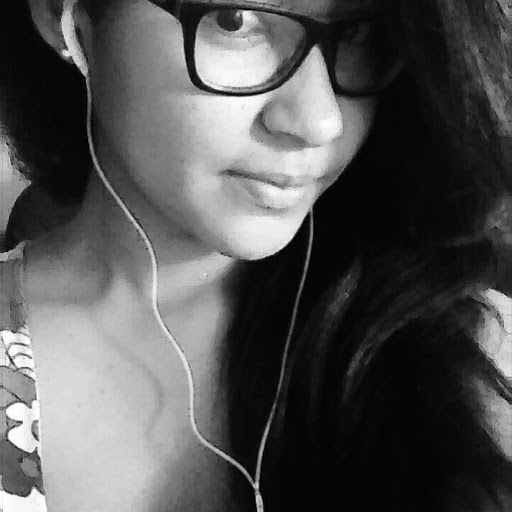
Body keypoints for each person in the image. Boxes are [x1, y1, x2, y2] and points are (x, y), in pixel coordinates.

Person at [0, 0, 510, 511]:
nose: (319, 121)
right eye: (235, 21)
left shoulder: (465, 345)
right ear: (64, 17)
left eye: (359, 34)